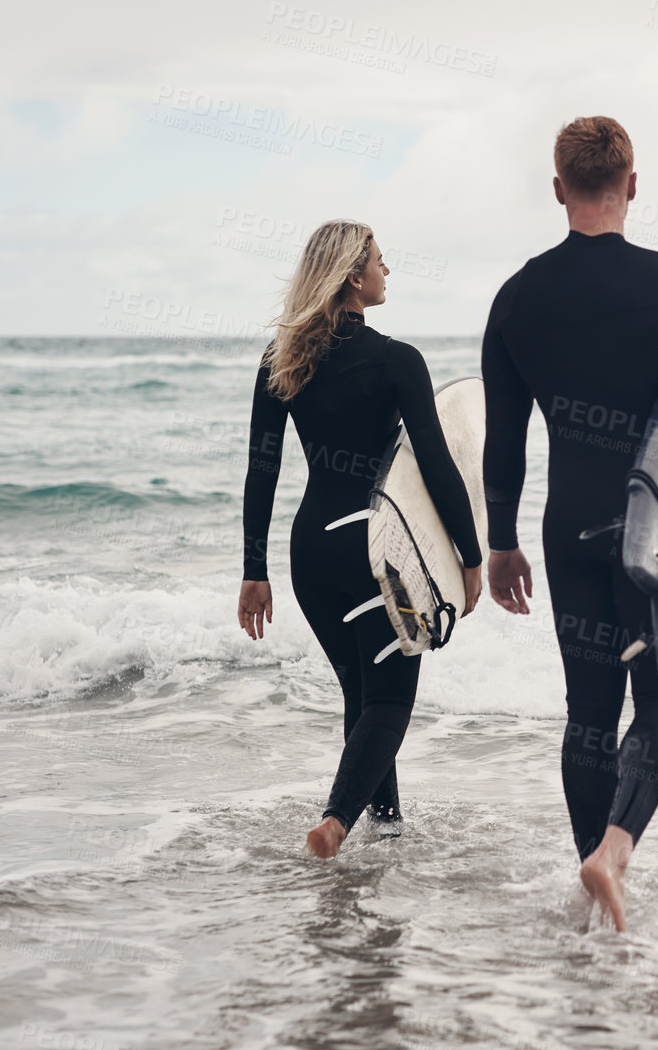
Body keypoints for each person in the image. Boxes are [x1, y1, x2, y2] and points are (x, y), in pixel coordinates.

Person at [482, 117, 658, 931]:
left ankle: (592, 887)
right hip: (656, 529)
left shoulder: (516, 297)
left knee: (587, 711)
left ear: (556, 188)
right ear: (632, 184)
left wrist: (499, 541)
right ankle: (613, 850)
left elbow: (504, 440)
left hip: (565, 522)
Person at [237, 219, 482, 858]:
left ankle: (387, 829)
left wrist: (253, 571)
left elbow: (262, 469)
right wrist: (470, 554)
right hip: (373, 549)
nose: (387, 271)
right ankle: (336, 823)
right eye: (379, 261)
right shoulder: (398, 361)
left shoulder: (282, 360)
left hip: (311, 551)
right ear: (353, 277)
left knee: (362, 694)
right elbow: (435, 463)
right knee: (393, 698)